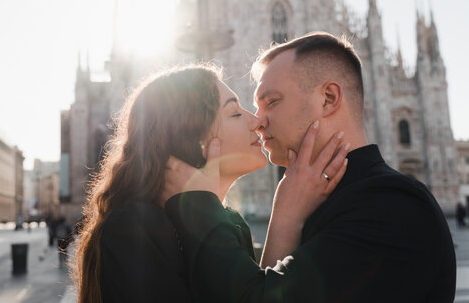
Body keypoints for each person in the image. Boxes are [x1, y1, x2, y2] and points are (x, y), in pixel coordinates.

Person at [162, 32, 456, 302]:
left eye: (272, 101)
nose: (258, 120)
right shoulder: (324, 199)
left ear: (328, 99)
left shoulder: (390, 206)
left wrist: (199, 204)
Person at [74, 64, 348, 303]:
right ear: (196, 140)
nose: (257, 122)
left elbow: (256, 293)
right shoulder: (134, 226)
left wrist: (287, 211)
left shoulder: (228, 222)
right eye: (235, 113)